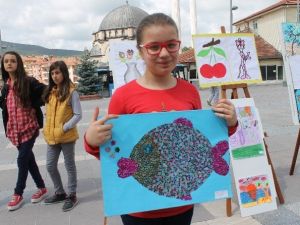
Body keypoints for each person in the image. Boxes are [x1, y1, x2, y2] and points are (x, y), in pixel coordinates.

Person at [84, 13, 238, 225]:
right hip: (138, 210)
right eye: (154, 47)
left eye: (171, 45)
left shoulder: (190, 91)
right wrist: (92, 140)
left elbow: (200, 137)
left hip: (181, 205)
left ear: (178, 46)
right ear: (141, 50)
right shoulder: (123, 96)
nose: (164, 53)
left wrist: (230, 123)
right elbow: (114, 153)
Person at [0, 51, 48, 211]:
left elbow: (45, 90)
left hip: (29, 126)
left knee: (21, 160)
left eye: (13, 61)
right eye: (6, 61)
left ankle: (18, 193)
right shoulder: (5, 86)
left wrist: (35, 104)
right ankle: (41, 188)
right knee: (29, 160)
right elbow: (5, 107)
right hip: (14, 130)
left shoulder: (28, 81)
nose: (9, 63)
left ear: (18, 64)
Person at [42, 61, 82, 212]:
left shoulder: (72, 92)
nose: (54, 76)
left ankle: (71, 195)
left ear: (64, 73)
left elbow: (78, 115)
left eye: (57, 73)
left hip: (66, 136)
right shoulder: (50, 92)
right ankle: (59, 192)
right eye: (52, 73)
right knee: (50, 166)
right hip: (51, 137)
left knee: (69, 165)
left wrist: (64, 127)